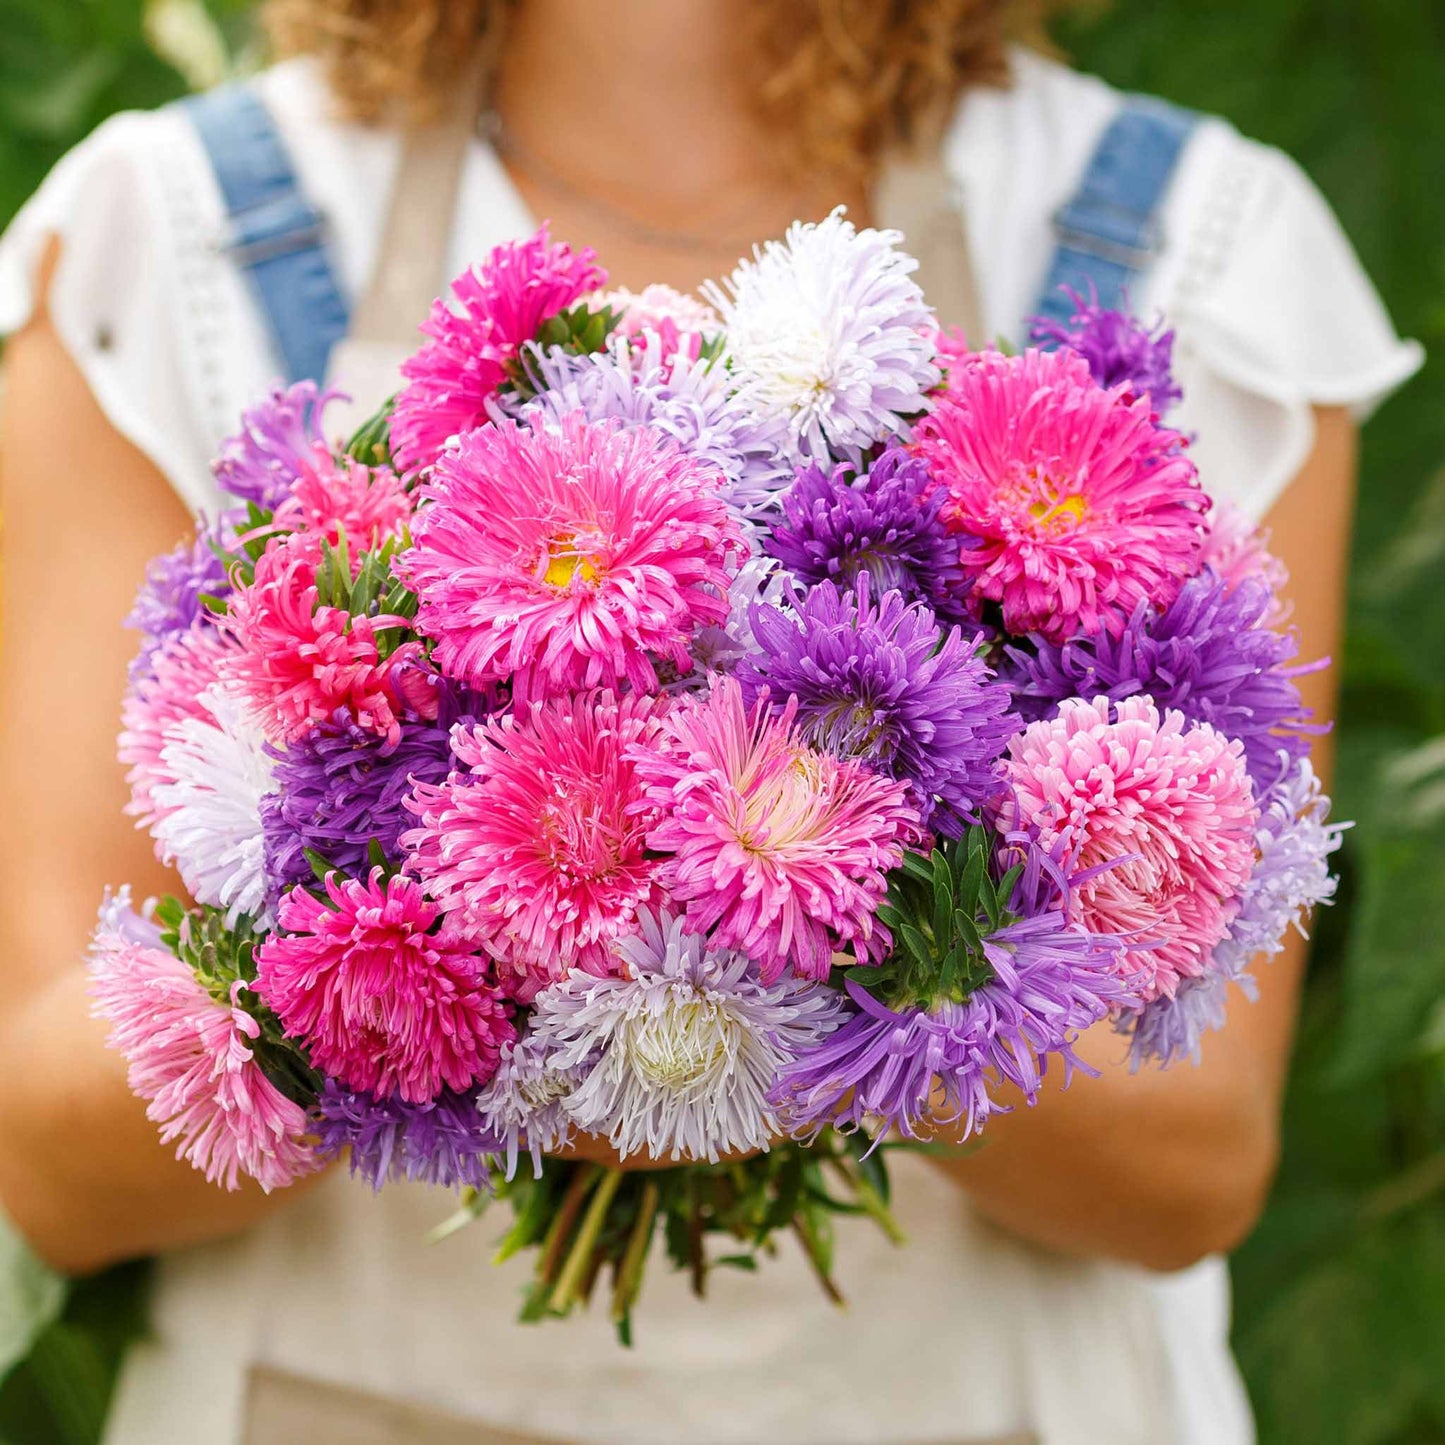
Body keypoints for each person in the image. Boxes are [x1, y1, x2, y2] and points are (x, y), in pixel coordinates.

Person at [0, 3, 1422, 1442]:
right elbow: (46, 1154)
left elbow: (1191, 1165)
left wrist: (777, 988)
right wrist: (429, 979)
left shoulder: (1196, 235)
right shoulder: (169, 230)